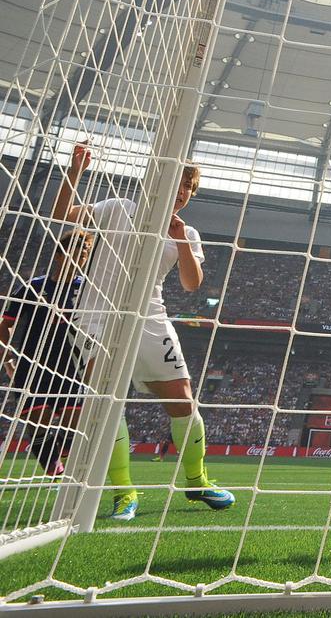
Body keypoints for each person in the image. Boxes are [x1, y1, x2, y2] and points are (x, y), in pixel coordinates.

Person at [53, 141, 234, 521]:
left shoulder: (189, 233)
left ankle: (196, 481)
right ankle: (124, 493)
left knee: (183, 400)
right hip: (96, 315)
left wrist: (182, 238)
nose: (182, 192)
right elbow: (63, 216)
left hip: (151, 318)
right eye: (178, 184)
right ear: (157, 181)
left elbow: (190, 283)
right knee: (106, 402)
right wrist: (75, 171)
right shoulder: (119, 208)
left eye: (189, 188)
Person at [0, 229, 94, 476]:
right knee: (38, 422)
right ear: (60, 255)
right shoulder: (34, 287)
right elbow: (6, 323)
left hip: (71, 366)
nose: (81, 256)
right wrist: (8, 359)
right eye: (76, 250)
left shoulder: (87, 290)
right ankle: (51, 464)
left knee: (73, 427)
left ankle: (56, 450)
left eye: (85, 252)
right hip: (33, 366)